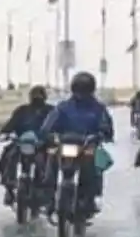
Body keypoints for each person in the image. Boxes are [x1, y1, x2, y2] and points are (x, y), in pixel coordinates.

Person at [40, 71, 115, 214]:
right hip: (65, 144)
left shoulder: (98, 108)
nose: (81, 94)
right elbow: (49, 124)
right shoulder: (63, 107)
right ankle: (48, 197)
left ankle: (91, 197)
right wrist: (48, 134)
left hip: (87, 145)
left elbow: (106, 126)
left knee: (95, 164)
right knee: (51, 157)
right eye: (79, 90)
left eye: (84, 90)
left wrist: (102, 134)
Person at [0, 85, 54, 206]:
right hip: (21, 144)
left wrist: (54, 137)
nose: (37, 98)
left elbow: (58, 126)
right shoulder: (22, 110)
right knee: (6, 157)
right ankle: (9, 186)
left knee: (50, 162)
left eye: (39, 96)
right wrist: (3, 132)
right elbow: (11, 124)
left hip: (43, 145)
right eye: (35, 96)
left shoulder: (51, 111)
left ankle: (49, 191)